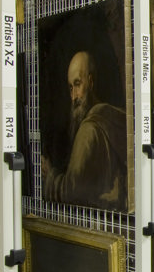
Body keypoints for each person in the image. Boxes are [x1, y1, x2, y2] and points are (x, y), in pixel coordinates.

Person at [42, 51, 127, 210]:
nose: (73, 96)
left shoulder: (89, 130)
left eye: (77, 84)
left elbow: (71, 192)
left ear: (91, 81)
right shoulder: (112, 115)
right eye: (70, 87)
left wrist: (49, 176)